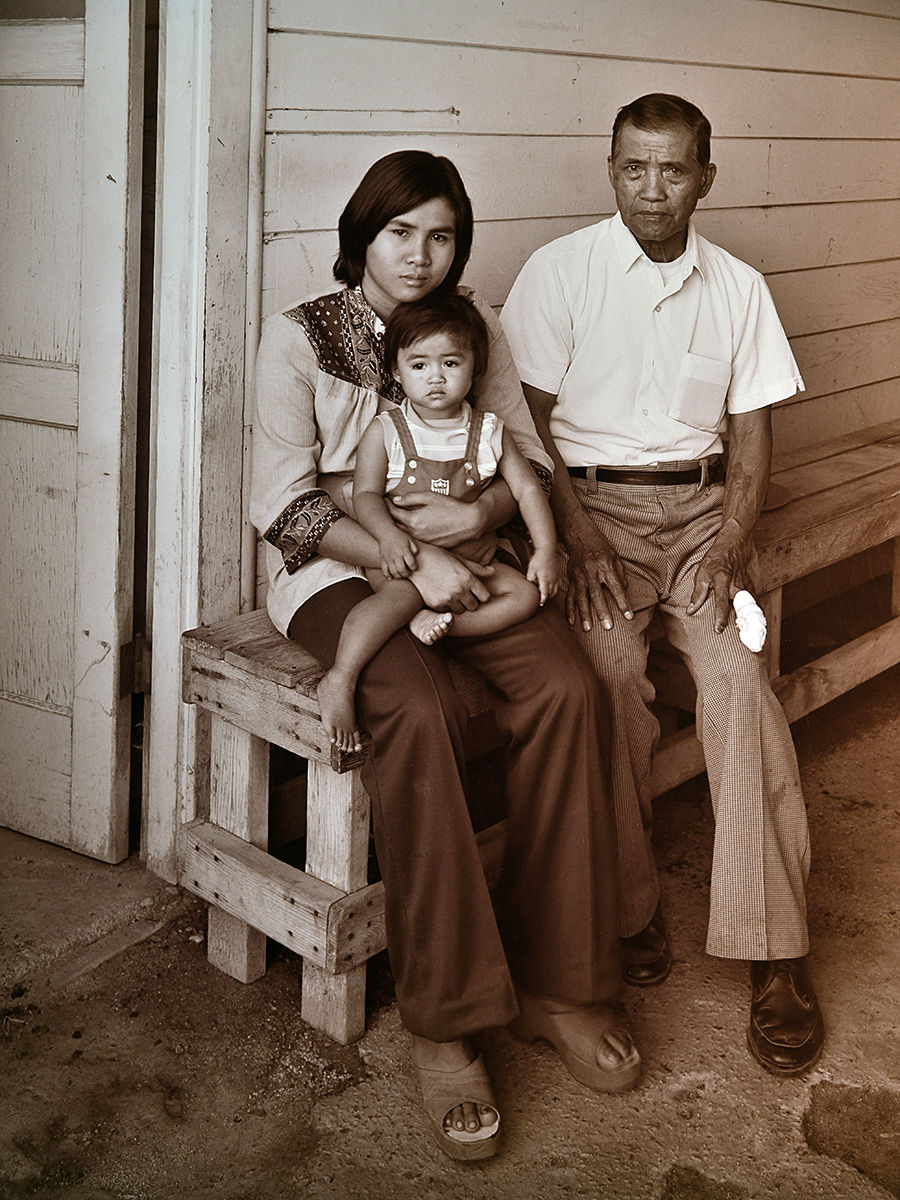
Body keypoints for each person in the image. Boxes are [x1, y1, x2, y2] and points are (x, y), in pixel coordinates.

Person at [250, 149, 641, 1161]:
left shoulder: (477, 328)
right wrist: (404, 554)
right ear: (362, 236)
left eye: (442, 235)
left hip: (469, 560)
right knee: (418, 710)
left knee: (567, 684)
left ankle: (560, 982)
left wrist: (480, 511)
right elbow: (286, 504)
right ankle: (448, 1021)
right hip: (339, 576)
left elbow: (522, 457)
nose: (421, 257)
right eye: (400, 233)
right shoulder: (299, 339)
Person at [500, 94, 824, 1077]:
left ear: (704, 179)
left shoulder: (738, 288)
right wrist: (582, 541)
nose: (653, 187)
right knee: (607, 684)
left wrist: (729, 545)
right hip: (589, 516)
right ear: (611, 170)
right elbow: (529, 424)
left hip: (700, 521)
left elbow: (756, 435)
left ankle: (776, 954)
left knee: (737, 689)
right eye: (635, 167)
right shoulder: (561, 273)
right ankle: (628, 914)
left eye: (673, 169)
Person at [317, 292, 563, 752]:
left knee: (524, 596)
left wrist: (547, 550)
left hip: (473, 561)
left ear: (474, 369)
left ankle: (438, 622)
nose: (435, 377)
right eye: (419, 365)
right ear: (396, 371)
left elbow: (528, 488)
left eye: (450, 363)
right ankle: (341, 676)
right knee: (392, 601)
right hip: (407, 559)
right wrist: (389, 538)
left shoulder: (490, 431)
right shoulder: (387, 431)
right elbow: (365, 494)